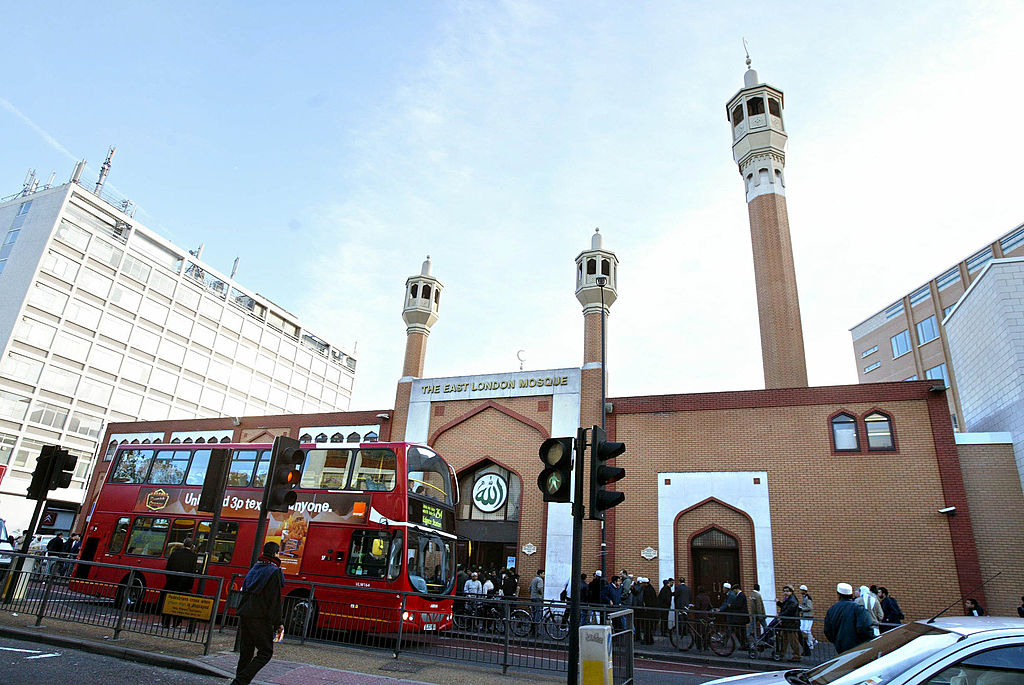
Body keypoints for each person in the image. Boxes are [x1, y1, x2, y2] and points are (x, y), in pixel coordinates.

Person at [231, 541, 285, 685]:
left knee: (246, 652)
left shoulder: (256, 567)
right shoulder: (274, 571)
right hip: (260, 615)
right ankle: (239, 682)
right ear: (275, 553)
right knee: (265, 652)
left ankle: (240, 682)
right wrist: (278, 622)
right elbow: (274, 600)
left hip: (245, 613)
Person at [824, 582, 874, 654]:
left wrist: (836, 640)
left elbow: (827, 631)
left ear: (838, 595)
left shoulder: (832, 610)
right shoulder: (858, 609)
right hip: (858, 647)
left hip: (840, 646)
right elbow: (865, 627)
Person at [161, 537, 198, 630]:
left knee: (168, 602)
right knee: (180, 604)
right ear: (191, 546)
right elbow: (192, 571)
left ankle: (165, 622)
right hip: (184, 584)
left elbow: (168, 567)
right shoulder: (193, 556)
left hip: (172, 581)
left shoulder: (175, 553)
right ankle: (176, 623)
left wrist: (169, 578)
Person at [776, 585, 802, 662]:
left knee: (793, 640)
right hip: (787, 623)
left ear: (791, 591)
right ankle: (781, 654)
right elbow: (785, 607)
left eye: (787, 591)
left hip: (792, 623)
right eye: (784, 591)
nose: (785, 593)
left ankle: (796, 655)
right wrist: (779, 603)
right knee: (784, 639)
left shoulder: (792, 600)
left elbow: (789, 610)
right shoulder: (788, 599)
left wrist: (780, 615)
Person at [637, 577, 659, 645]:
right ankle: (649, 640)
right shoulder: (650, 588)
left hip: (648, 611)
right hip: (650, 611)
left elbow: (648, 601)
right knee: (648, 627)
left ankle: (648, 640)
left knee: (647, 626)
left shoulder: (647, 590)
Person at [798, 584, 816, 654]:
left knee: (806, 630)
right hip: (805, 616)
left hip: (808, 616)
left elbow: (809, 607)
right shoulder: (804, 597)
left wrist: (801, 608)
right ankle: (812, 640)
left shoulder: (808, 598)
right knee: (804, 629)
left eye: (801, 590)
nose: (800, 591)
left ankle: (811, 643)